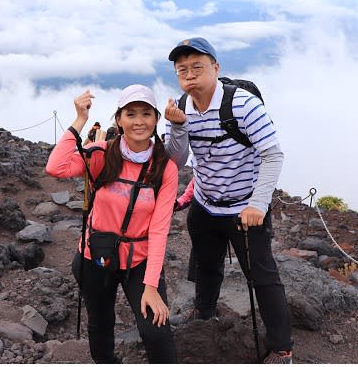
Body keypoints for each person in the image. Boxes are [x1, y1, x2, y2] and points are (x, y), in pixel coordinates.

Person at [163, 37, 294, 364]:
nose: (190, 75)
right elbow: (176, 161)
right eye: (183, 70)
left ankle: (282, 348)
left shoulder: (244, 105)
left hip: (244, 210)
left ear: (215, 68)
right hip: (205, 205)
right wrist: (177, 127)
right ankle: (204, 314)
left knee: (262, 277)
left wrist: (258, 205)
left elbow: (273, 155)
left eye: (197, 67)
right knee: (207, 265)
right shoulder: (182, 106)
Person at [45, 85, 178, 363]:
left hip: (139, 262)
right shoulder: (101, 153)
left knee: (156, 332)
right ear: (119, 119)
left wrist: (151, 286)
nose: (138, 121)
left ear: (155, 120)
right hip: (95, 256)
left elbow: (160, 229)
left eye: (146, 114)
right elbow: (55, 167)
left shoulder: (164, 167)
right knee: (101, 324)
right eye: (131, 114)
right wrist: (79, 120)